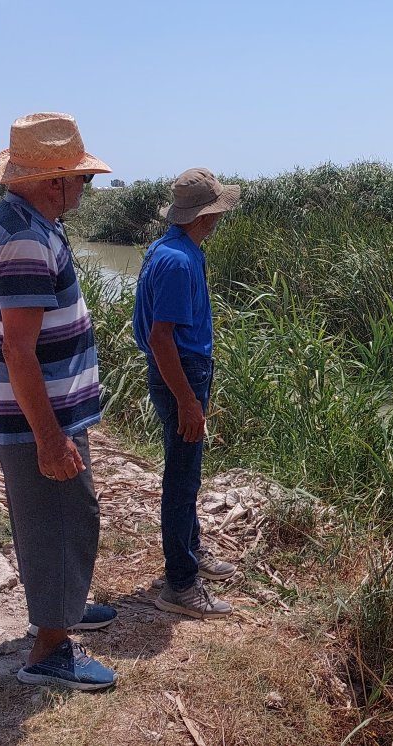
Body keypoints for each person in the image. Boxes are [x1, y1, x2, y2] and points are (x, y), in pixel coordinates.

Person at [0, 112, 117, 690]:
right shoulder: (28, 239)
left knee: (59, 517)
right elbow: (19, 349)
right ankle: (50, 650)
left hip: (42, 408)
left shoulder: (21, 220)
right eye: (81, 179)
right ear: (54, 181)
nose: (85, 188)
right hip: (40, 414)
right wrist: (50, 436)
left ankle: (66, 605)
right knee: (60, 518)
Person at [133, 168, 241, 619]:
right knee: (181, 481)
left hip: (181, 371)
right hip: (181, 373)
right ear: (206, 214)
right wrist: (188, 399)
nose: (219, 219)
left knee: (185, 473)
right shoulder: (178, 261)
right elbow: (161, 339)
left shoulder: (171, 248)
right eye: (217, 211)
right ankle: (180, 583)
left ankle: (190, 554)